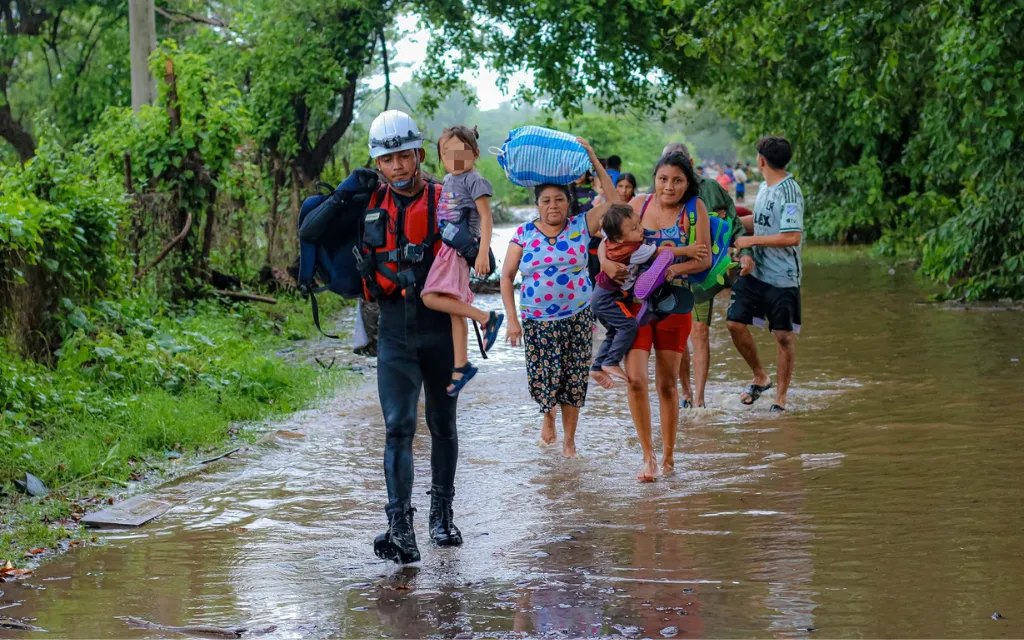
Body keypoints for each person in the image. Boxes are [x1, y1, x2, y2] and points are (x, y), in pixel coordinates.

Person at [359, 110, 462, 564]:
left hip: (440, 330)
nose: (397, 166)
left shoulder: (446, 198)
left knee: (442, 423)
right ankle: (401, 527)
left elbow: (481, 260)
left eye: (404, 156)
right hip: (394, 334)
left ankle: (442, 515)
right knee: (398, 426)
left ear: (419, 155)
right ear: (377, 164)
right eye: (388, 159)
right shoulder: (365, 205)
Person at [500, 138, 618, 457]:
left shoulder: (582, 225)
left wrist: (592, 157)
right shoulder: (524, 234)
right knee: (544, 377)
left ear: (569, 202)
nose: (553, 206)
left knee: (574, 379)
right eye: (546, 201)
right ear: (537, 205)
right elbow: (507, 277)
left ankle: (569, 441)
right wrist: (512, 320)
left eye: (559, 200)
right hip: (537, 320)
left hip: (578, 316)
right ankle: (547, 417)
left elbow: (614, 199)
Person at [599, 152, 711, 482]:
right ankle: (647, 458)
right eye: (663, 179)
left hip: (674, 304)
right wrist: (605, 264)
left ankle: (669, 458)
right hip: (635, 305)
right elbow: (608, 238)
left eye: (677, 180)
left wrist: (669, 269)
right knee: (635, 380)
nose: (669, 186)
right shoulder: (641, 205)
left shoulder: (695, 210)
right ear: (655, 179)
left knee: (666, 385)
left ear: (688, 182)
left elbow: (703, 259)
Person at [662, 143, 754, 409]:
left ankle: (699, 398)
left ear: (690, 162)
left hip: (704, 271)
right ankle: (687, 392)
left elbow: (733, 220)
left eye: (680, 164)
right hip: (671, 273)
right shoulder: (660, 190)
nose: (671, 181)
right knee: (677, 336)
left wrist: (733, 237)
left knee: (700, 331)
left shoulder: (710, 188)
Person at [421, 125, 504, 396]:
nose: (454, 158)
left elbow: (486, 218)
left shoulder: (474, 180)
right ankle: (461, 366)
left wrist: (482, 252)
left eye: (460, 152)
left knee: (430, 297)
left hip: (459, 249)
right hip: (447, 247)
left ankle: (486, 317)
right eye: (447, 153)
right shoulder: (447, 180)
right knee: (455, 310)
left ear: (475, 153)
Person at [727, 136, 804, 412]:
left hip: (783, 277)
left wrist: (750, 241)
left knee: (783, 337)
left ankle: (780, 398)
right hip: (756, 272)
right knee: (734, 323)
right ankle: (760, 377)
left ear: (761, 160)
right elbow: (757, 222)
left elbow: (792, 236)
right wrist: (727, 223)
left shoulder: (790, 191)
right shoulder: (762, 187)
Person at [590, 204, 680, 383]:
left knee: (614, 331)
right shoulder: (634, 250)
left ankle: (597, 366)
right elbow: (661, 253)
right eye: (634, 228)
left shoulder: (615, 237)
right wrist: (689, 250)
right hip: (607, 298)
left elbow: (602, 237)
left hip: (600, 297)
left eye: (639, 224)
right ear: (619, 237)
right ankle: (611, 362)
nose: (641, 229)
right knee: (629, 326)